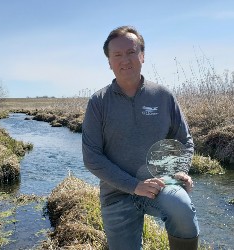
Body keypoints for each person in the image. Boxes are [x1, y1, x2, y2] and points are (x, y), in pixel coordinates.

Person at [82, 25, 199, 250]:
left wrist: (181, 169)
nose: (125, 59)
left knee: (182, 206)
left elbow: (184, 140)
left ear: (142, 56)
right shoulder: (98, 102)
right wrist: (134, 185)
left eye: (131, 52)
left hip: (160, 185)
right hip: (116, 193)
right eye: (117, 54)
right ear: (109, 62)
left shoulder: (163, 97)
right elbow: (92, 157)